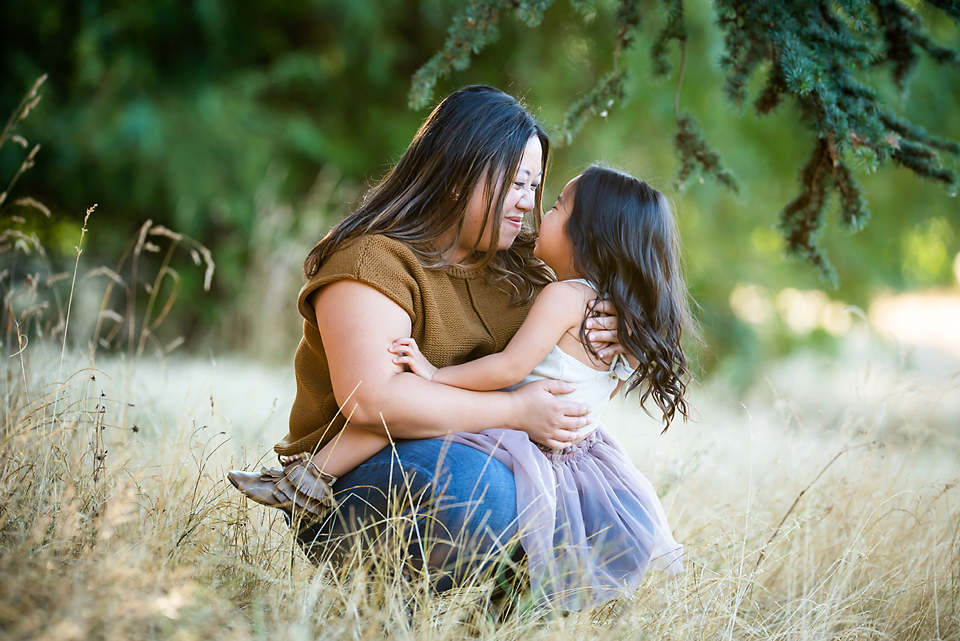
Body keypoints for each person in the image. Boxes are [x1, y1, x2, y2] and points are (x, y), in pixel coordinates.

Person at [227, 85, 624, 595]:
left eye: (536, 184)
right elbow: (374, 401)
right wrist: (516, 411)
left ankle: (496, 612)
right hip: (351, 485)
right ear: (460, 177)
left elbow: (609, 280)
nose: (529, 203)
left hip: (502, 465)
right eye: (517, 182)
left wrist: (615, 321)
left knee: (577, 500)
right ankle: (403, 610)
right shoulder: (373, 262)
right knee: (476, 487)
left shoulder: (524, 271)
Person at [389, 165, 691, 608]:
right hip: (582, 460)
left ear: (587, 235)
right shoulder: (624, 322)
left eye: (555, 206)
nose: (538, 212)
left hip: (530, 443)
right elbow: (600, 395)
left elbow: (508, 368)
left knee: (420, 425)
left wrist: (435, 375)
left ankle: (316, 475)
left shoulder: (565, 297)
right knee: (542, 569)